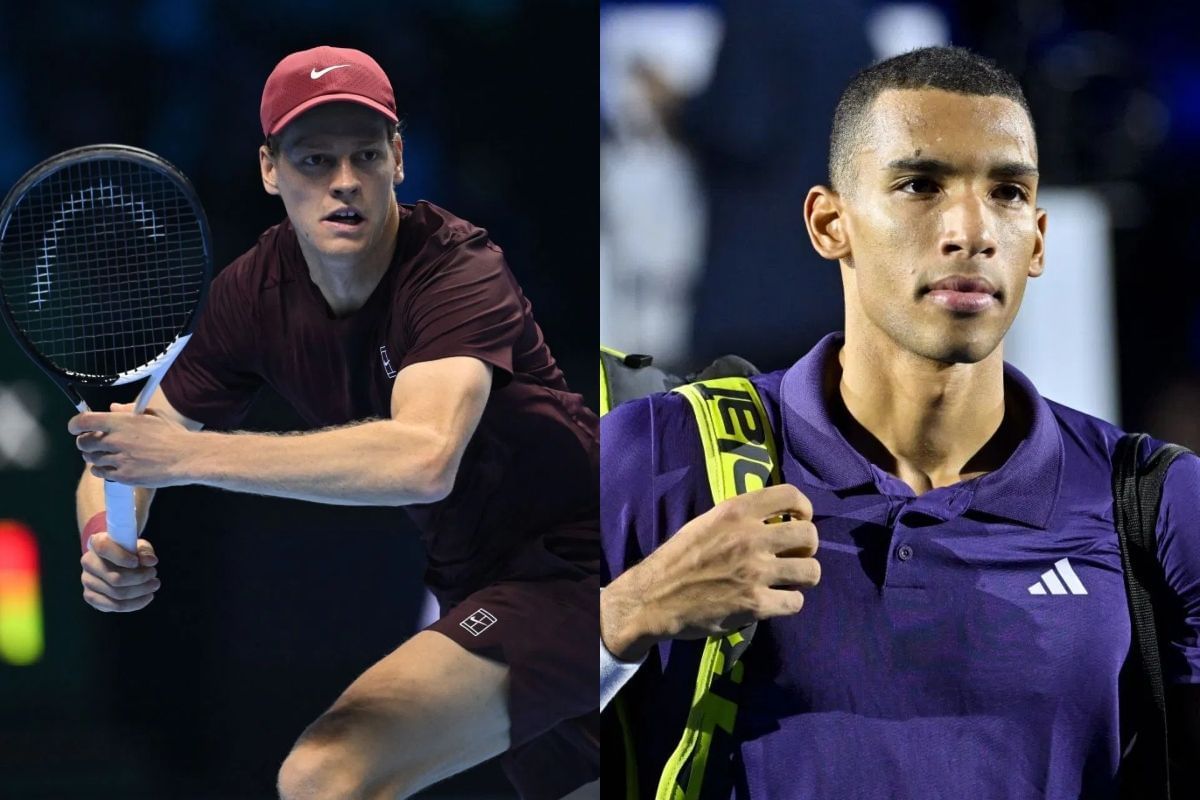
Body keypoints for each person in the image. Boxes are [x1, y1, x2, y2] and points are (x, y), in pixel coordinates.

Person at [600, 46, 1200, 798]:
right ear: (829, 224)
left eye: (1008, 193)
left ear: (1039, 240)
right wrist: (625, 615)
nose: (971, 231)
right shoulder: (660, 455)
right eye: (920, 184)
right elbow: (470, 729)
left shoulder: (1155, 505)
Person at [68, 46, 599, 800]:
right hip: (476, 584)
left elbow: (423, 458)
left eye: (365, 156)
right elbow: (123, 453)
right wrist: (105, 540)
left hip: (585, 563)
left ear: (399, 159)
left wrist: (189, 457)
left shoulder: (457, 269)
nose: (343, 181)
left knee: (326, 772)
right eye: (315, 160)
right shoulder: (253, 294)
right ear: (269, 170)